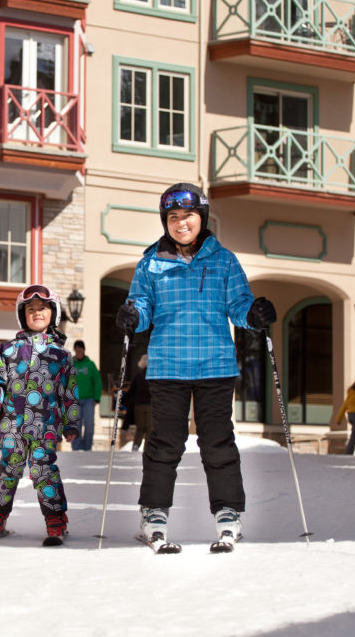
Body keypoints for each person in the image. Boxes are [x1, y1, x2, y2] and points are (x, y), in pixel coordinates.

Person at [115, 182, 276, 551]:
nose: (180, 223)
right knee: (164, 444)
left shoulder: (224, 261)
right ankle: (154, 513)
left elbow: (239, 305)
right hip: (168, 367)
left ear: (201, 218)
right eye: (172, 217)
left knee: (217, 443)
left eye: (187, 215)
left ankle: (229, 513)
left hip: (215, 366)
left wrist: (255, 314)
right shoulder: (151, 263)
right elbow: (141, 308)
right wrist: (131, 316)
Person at [0, 285, 80, 544]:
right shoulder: (8, 350)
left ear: (52, 314)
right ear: (22, 315)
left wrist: (71, 423)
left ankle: (56, 519)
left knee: (44, 470)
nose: (36, 313)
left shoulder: (62, 356)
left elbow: (69, 393)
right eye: (30, 309)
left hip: (44, 425)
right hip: (12, 424)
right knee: (8, 469)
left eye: (42, 309)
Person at [71, 339, 102, 450]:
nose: (79, 351)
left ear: (84, 350)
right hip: (74, 400)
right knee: (76, 425)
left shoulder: (90, 365)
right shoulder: (70, 364)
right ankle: (76, 448)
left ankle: (87, 448)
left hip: (89, 399)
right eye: (77, 349)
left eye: (81, 349)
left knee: (89, 425)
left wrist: (97, 398)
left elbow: (97, 382)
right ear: (75, 350)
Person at [125, 354, 152, 452]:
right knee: (149, 428)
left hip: (138, 406)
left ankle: (136, 445)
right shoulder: (153, 378)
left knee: (140, 427)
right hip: (150, 405)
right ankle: (147, 448)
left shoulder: (138, 376)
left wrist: (124, 400)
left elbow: (131, 391)